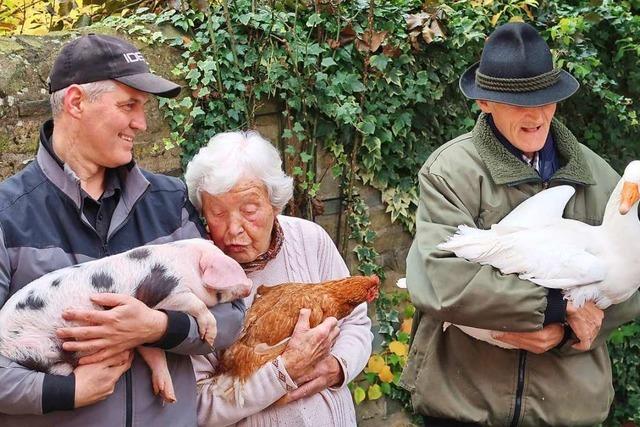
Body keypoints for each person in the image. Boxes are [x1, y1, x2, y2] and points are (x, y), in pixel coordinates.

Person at [400, 22, 640, 426]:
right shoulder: (450, 172)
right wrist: (551, 308)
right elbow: (438, 279)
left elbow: (630, 281)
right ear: (485, 103)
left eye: (546, 100)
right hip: (467, 405)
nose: (536, 115)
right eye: (518, 103)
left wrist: (564, 333)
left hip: (566, 408)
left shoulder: (601, 178)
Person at [0, 34, 244, 426]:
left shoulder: (170, 201)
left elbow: (232, 318)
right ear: (76, 102)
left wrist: (159, 327)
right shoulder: (7, 215)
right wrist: (67, 391)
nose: (142, 123)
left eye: (143, 107)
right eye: (128, 105)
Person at [184, 131, 373, 426]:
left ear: (275, 204)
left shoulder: (310, 240)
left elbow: (356, 324)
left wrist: (336, 367)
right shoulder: (194, 279)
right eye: (218, 212)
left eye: (249, 210)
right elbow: (198, 404)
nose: (234, 228)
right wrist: (282, 372)